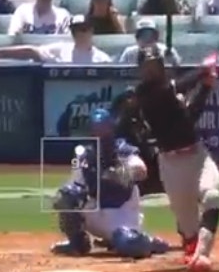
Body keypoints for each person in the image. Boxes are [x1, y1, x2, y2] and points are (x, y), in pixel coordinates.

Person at [125, 49, 219, 272]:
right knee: (188, 228)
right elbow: (173, 89)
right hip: (171, 165)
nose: (152, 69)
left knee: (212, 196)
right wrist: (203, 70)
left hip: (198, 156)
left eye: (155, 64)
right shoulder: (144, 95)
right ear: (140, 71)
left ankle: (203, 254)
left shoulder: (171, 90)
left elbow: (190, 117)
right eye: (147, 66)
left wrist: (206, 87)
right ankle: (192, 246)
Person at [48, 106, 170, 259]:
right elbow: (75, 185)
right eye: (97, 130)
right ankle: (77, 243)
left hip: (121, 215)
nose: (101, 134)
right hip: (94, 212)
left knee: (129, 244)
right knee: (67, 196)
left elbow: (141, 170)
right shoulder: (85, 155)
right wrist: (65, 200)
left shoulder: (122, 150)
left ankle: (149, 242)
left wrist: (119, 174)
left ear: (111, 129)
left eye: (104, 129)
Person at [0, 14, 112, 62]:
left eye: (84, 29)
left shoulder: (102, 59)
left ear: (91, 31)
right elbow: (32, 52)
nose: (80, 34)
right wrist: (1, 53)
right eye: (76, 30)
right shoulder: (60, 50)